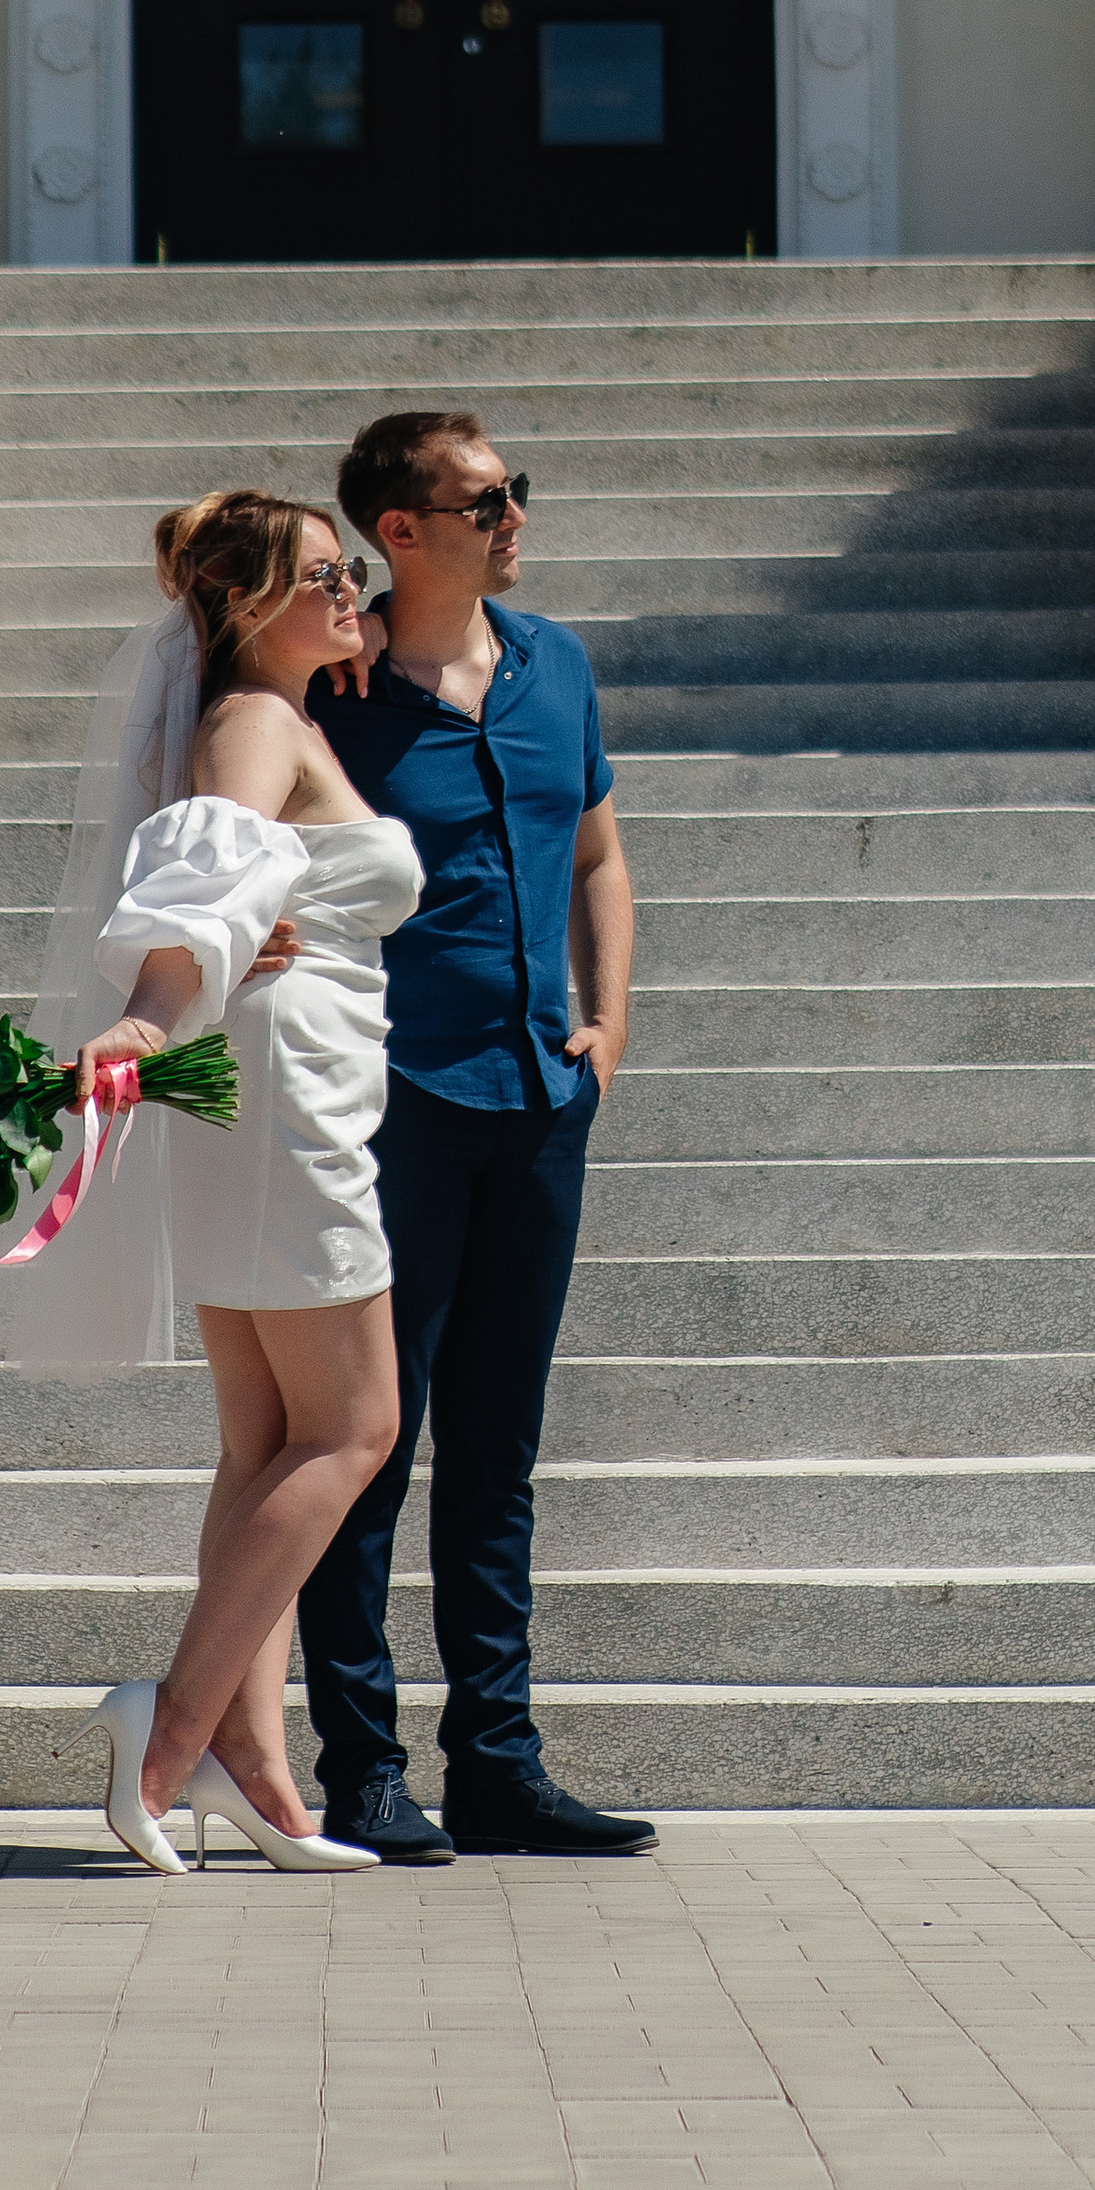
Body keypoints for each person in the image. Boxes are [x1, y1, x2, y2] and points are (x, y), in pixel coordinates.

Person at [0, 488, 422, 1875]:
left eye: (357, 576)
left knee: (269, 1440)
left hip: (282, 1090)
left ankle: (255, 1767)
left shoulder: (277, 716)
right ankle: (164, 1737)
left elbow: (236, 892)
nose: (358, 600)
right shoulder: (255, 722)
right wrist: (150, 1021)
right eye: (329, 579)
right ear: (246, 603)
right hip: (285, 1110)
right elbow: (200, 884)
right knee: (354, 1431)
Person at [295, 408, 656, 1866]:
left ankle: (499, 1761)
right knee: (370, 1446)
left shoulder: (554, 662)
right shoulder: (333, 689)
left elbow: (601, 848)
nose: (517, 514)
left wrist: (609, 1020)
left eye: (518, 490)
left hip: (536, 1099)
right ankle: (363, 1770)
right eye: (488, 498)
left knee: (499, 1448)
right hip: (394, 1111)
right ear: (401, 530)